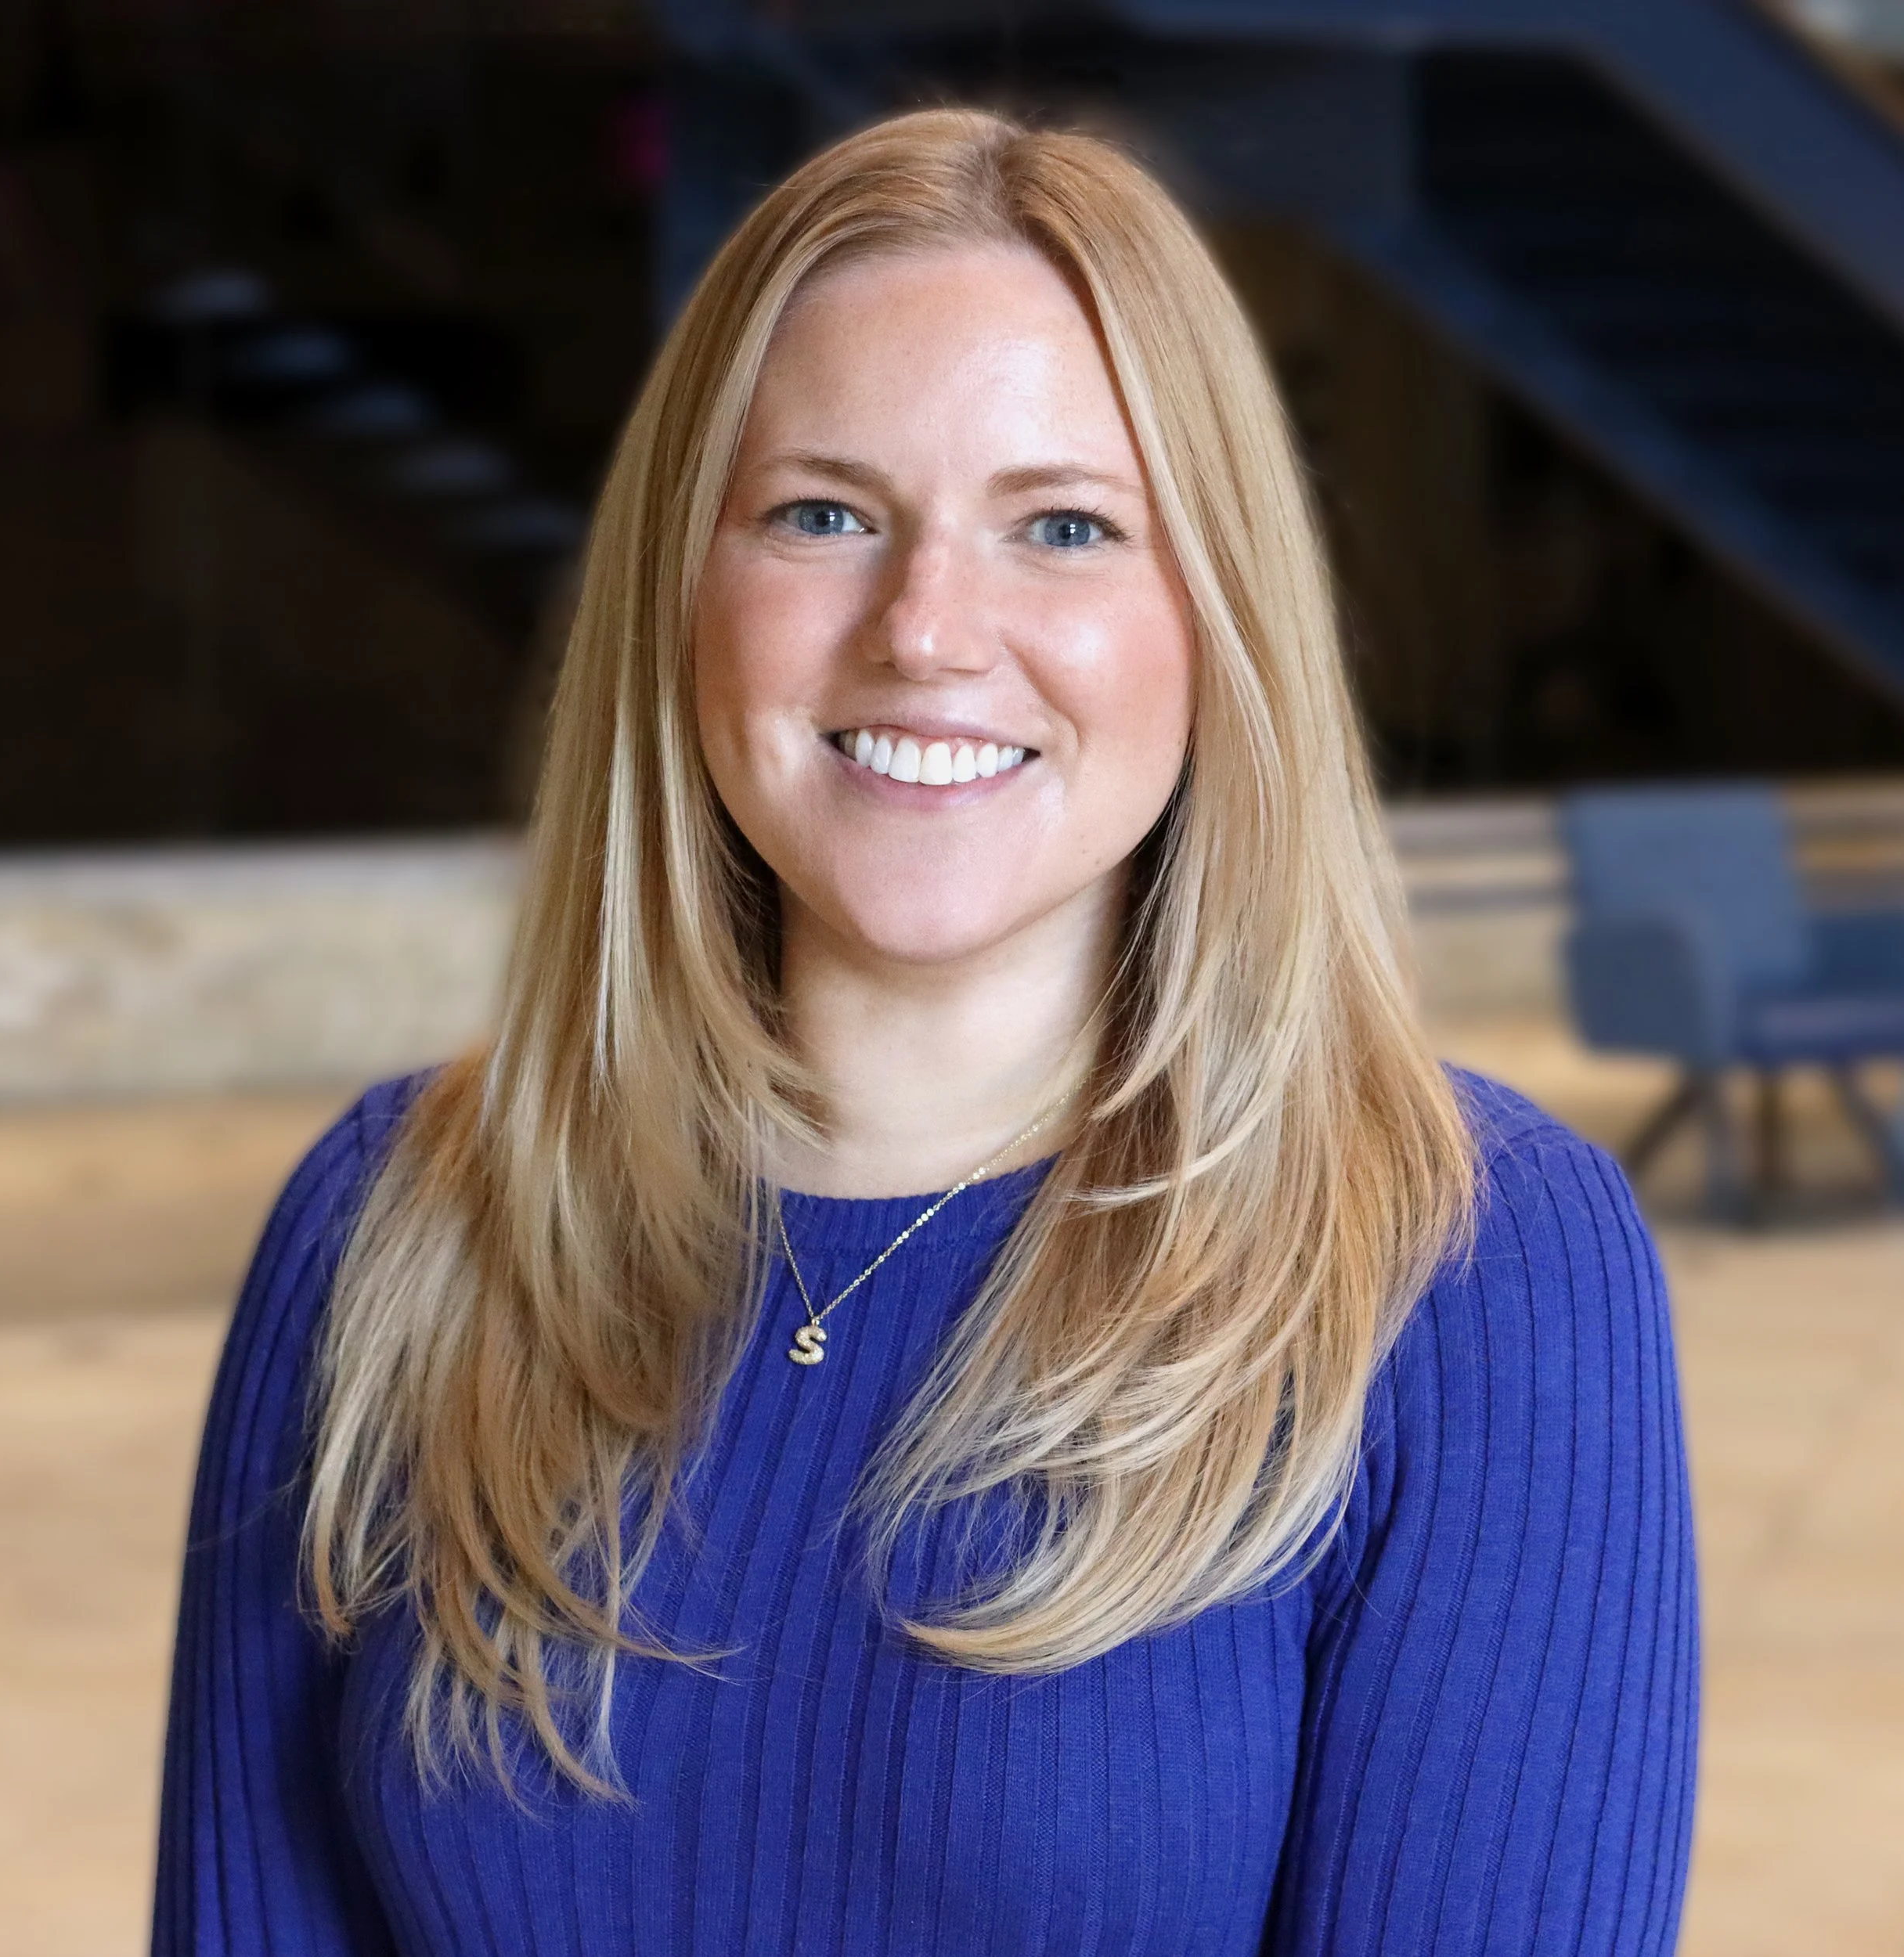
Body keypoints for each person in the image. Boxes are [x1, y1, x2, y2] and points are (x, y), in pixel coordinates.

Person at [151, 108, 1697, 1955]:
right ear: (681, 591)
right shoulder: (391, 1233)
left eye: (1062, 525)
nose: (929, 630)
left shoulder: (1469, 1267)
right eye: (822, 513)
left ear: (1214, 618)